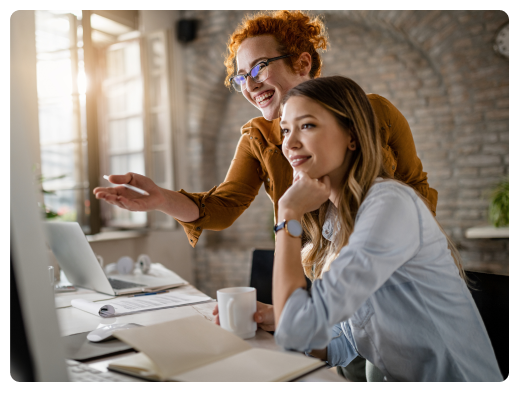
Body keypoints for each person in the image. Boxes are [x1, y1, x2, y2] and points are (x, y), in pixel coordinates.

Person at [93, 10, 437, 380]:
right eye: (241, 76)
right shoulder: (258, 136)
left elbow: (416, 190)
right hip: (324, 283)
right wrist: (161, 198)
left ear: (302, 62)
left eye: (259, 67)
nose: (249, 83)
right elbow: (222, 206)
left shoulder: (373, 112)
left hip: (391, 281)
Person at [271, 75, 502, 382]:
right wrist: (278, 319)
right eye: (286, 130)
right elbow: (346, 341)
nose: (289, 143)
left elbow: (295, 333)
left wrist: (287, 215)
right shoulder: (336, 223)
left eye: (307, 125)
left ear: (352, 135)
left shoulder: (390, 204)